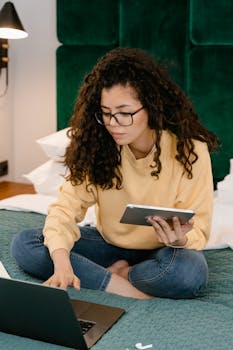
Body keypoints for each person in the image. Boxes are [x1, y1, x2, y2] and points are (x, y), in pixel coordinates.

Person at [11, 47, 219, 299]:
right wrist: (62, 262)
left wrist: (179, 241)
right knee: (25, 244)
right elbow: (65, 210)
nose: (113, 124)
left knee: (189, 272)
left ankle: (117, 274)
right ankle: (124, 286)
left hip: (164, 251)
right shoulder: (98, 146)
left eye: (125, 113)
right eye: (106, 113)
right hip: (108, 245)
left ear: (151, 107)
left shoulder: (189, 149)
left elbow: (200, 227)